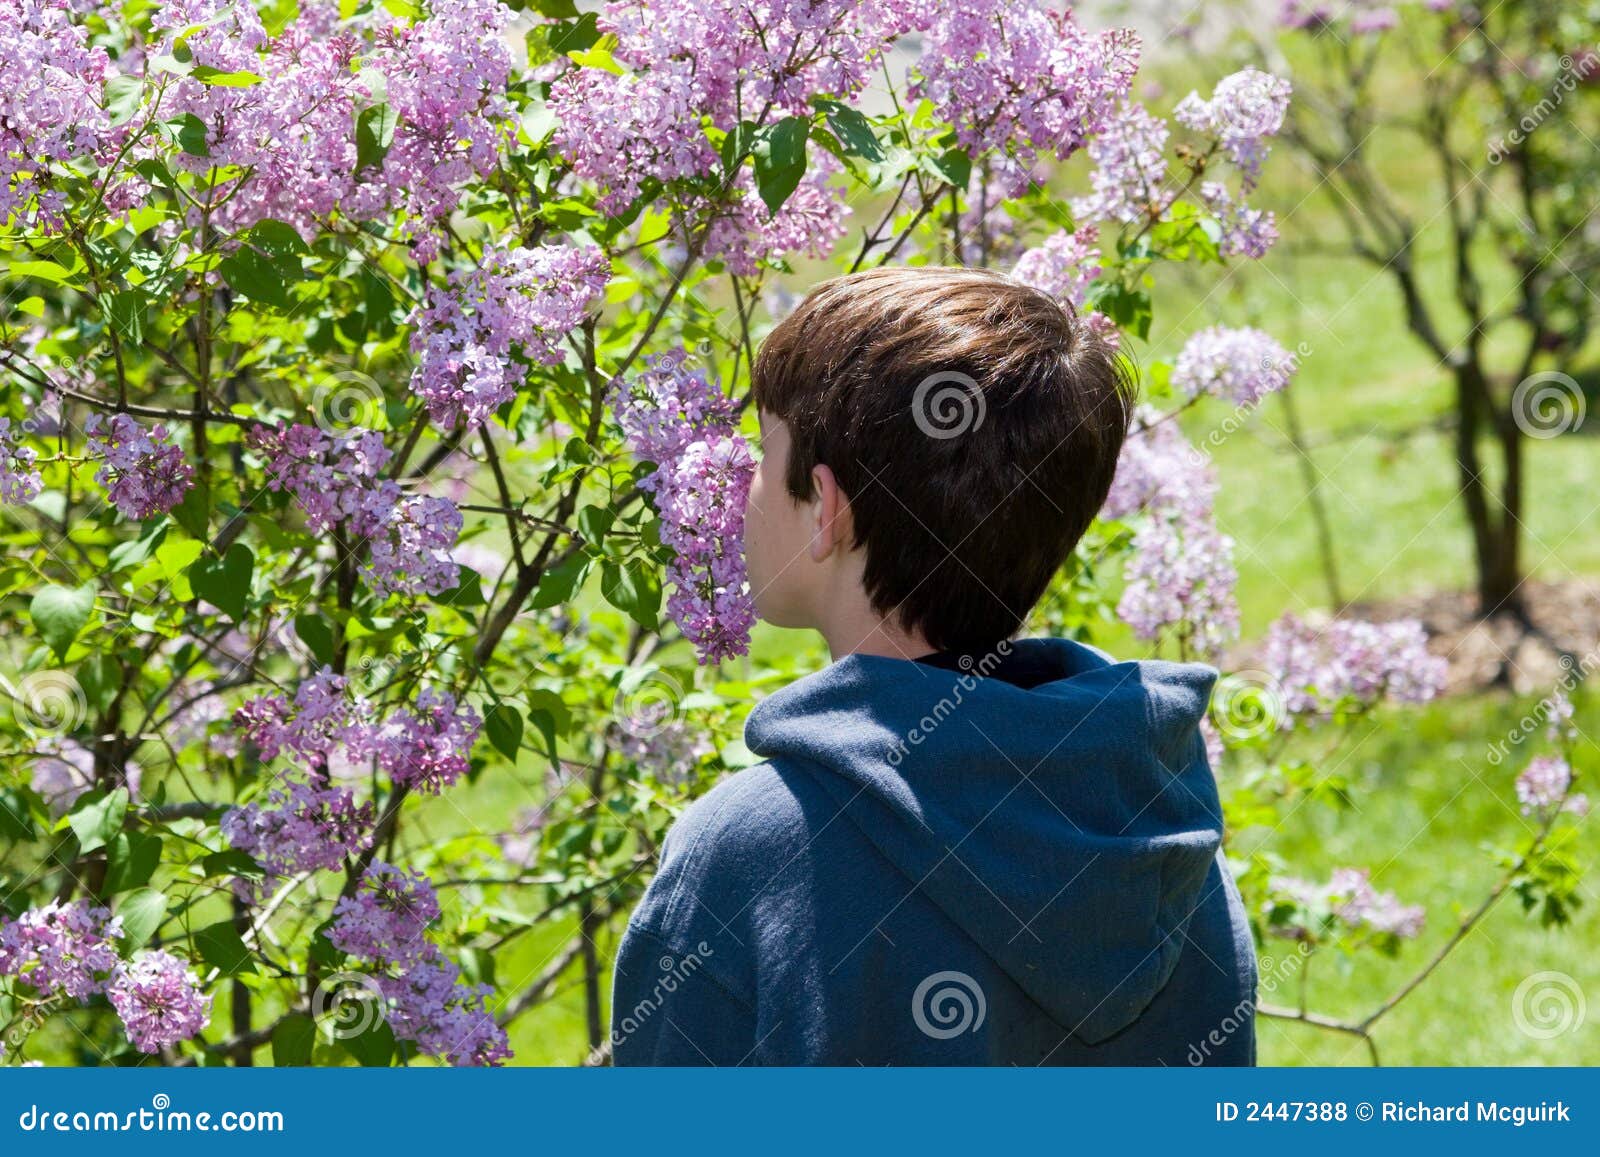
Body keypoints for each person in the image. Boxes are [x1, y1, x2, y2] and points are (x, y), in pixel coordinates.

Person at [609, 267, 1256, 1065]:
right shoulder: (1162, 825)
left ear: (826, 507)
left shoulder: (749, 855)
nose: (737, 484)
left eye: (759, 446)